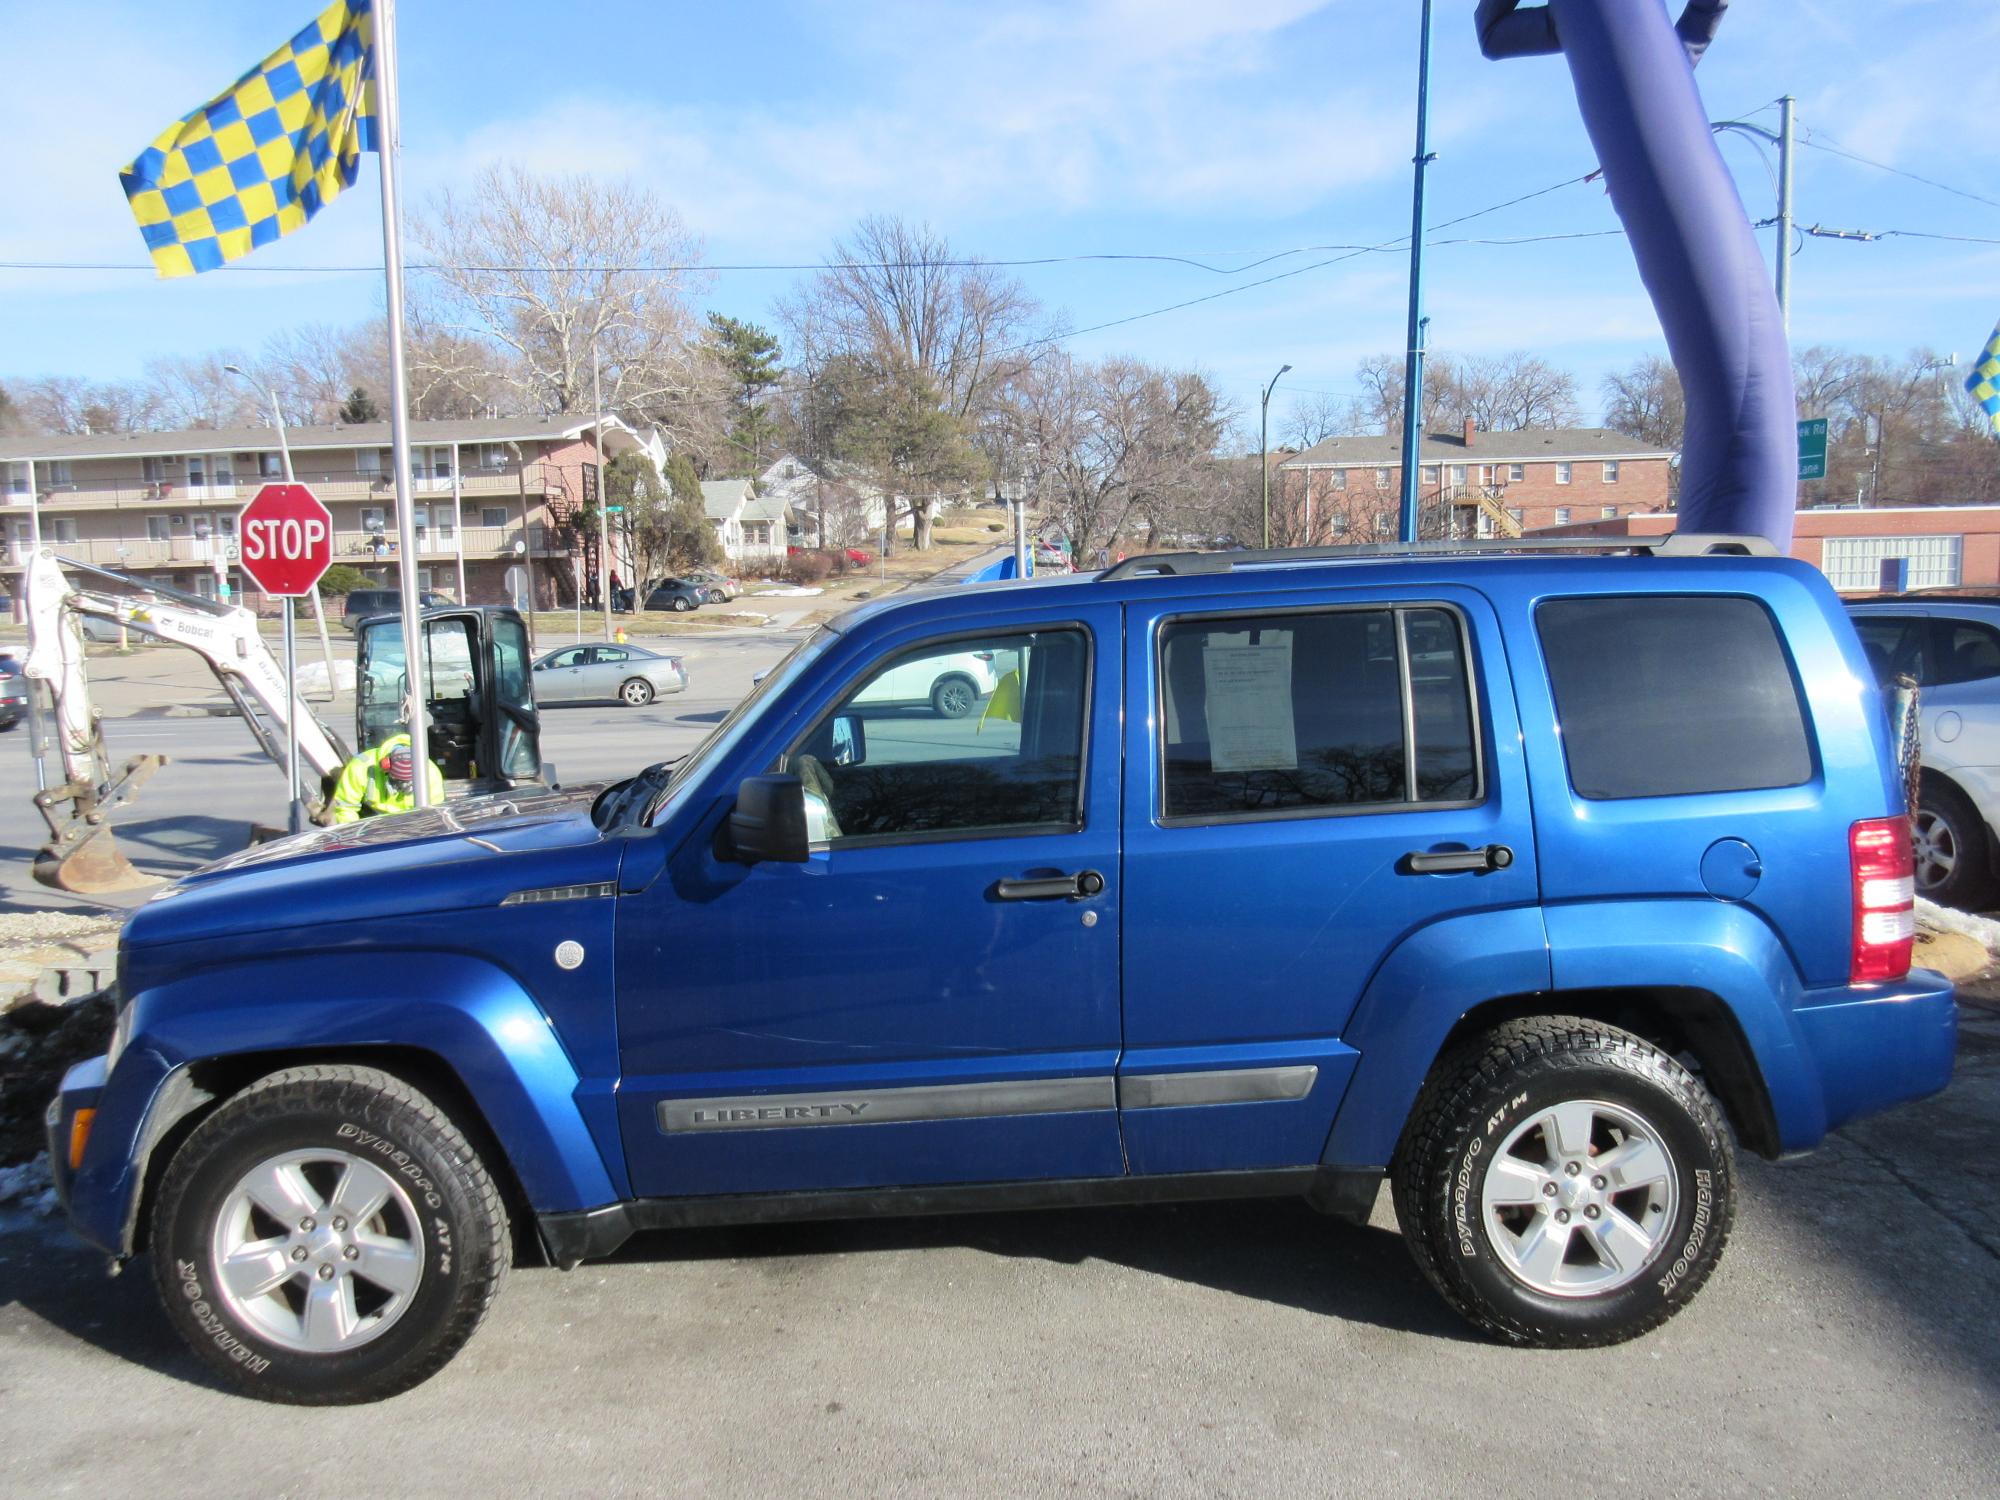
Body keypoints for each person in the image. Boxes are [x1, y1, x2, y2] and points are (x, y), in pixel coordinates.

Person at [327, 732, 445, 823]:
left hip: (411, 825)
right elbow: (346, 807)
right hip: (368, 822)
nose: (402, 787)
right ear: (385, 766)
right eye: (397, 781)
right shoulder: (361, 766)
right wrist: (355, 838)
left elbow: (433, 815)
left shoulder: (430, 773)